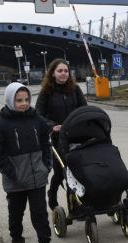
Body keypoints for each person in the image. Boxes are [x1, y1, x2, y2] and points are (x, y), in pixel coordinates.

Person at [0, 82, 59, 243]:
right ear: (10, 100)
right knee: (15, 213)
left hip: (37, 177)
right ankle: (17, 241)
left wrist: (46, 166)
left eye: (26, 99)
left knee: (40, 214)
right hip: (16, 181)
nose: (24, 103)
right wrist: (12, 173)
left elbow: (47, 144)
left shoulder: (37, 120)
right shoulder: (0, 125)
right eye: (19, 100)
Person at [36, 58, 87, 211]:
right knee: (61, 172)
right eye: (60, 71)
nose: (64, 73)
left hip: (75, 135)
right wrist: (52, 126)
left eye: (66, 71)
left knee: (75, 171)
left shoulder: (75, 89)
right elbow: (38, 115)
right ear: (53, 73)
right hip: (57, 138)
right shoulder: (46, 92)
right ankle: (52, 194)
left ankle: (75, 206)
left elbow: (83, 109)